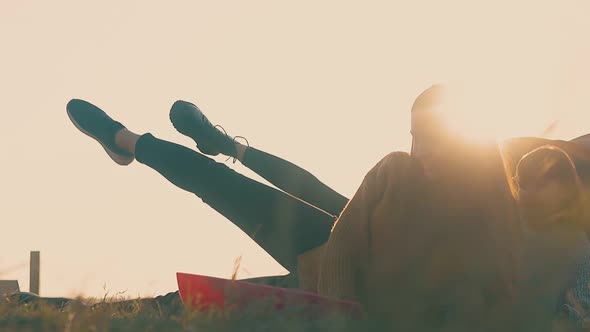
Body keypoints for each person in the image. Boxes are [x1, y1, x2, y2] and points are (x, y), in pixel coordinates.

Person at [511, 146, 590, 328]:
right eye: (522, 184)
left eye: (539, 183)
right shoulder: (507, 234)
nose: (528, 192)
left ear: (566, 189)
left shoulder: (577, 247)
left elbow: (580, 312)